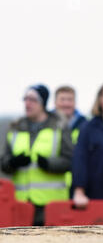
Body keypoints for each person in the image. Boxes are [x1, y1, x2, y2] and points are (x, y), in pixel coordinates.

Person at [0, 84, 73, 225]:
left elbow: (70, 160)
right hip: (21, 203)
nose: (27, 103)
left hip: (51, 205)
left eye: (32, 100)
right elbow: (3, 162)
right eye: (25, 99)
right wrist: (12, 163)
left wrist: (49, 164)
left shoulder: (59, 126)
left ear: (43, 103)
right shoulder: (15, 127)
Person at [54, 85, 87, 196]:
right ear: (55, 102)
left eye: (70, 100)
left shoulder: (85, 126)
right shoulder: (46, 125)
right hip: (53, 189)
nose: (66, 104)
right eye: (62, 100)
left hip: (80, 189)